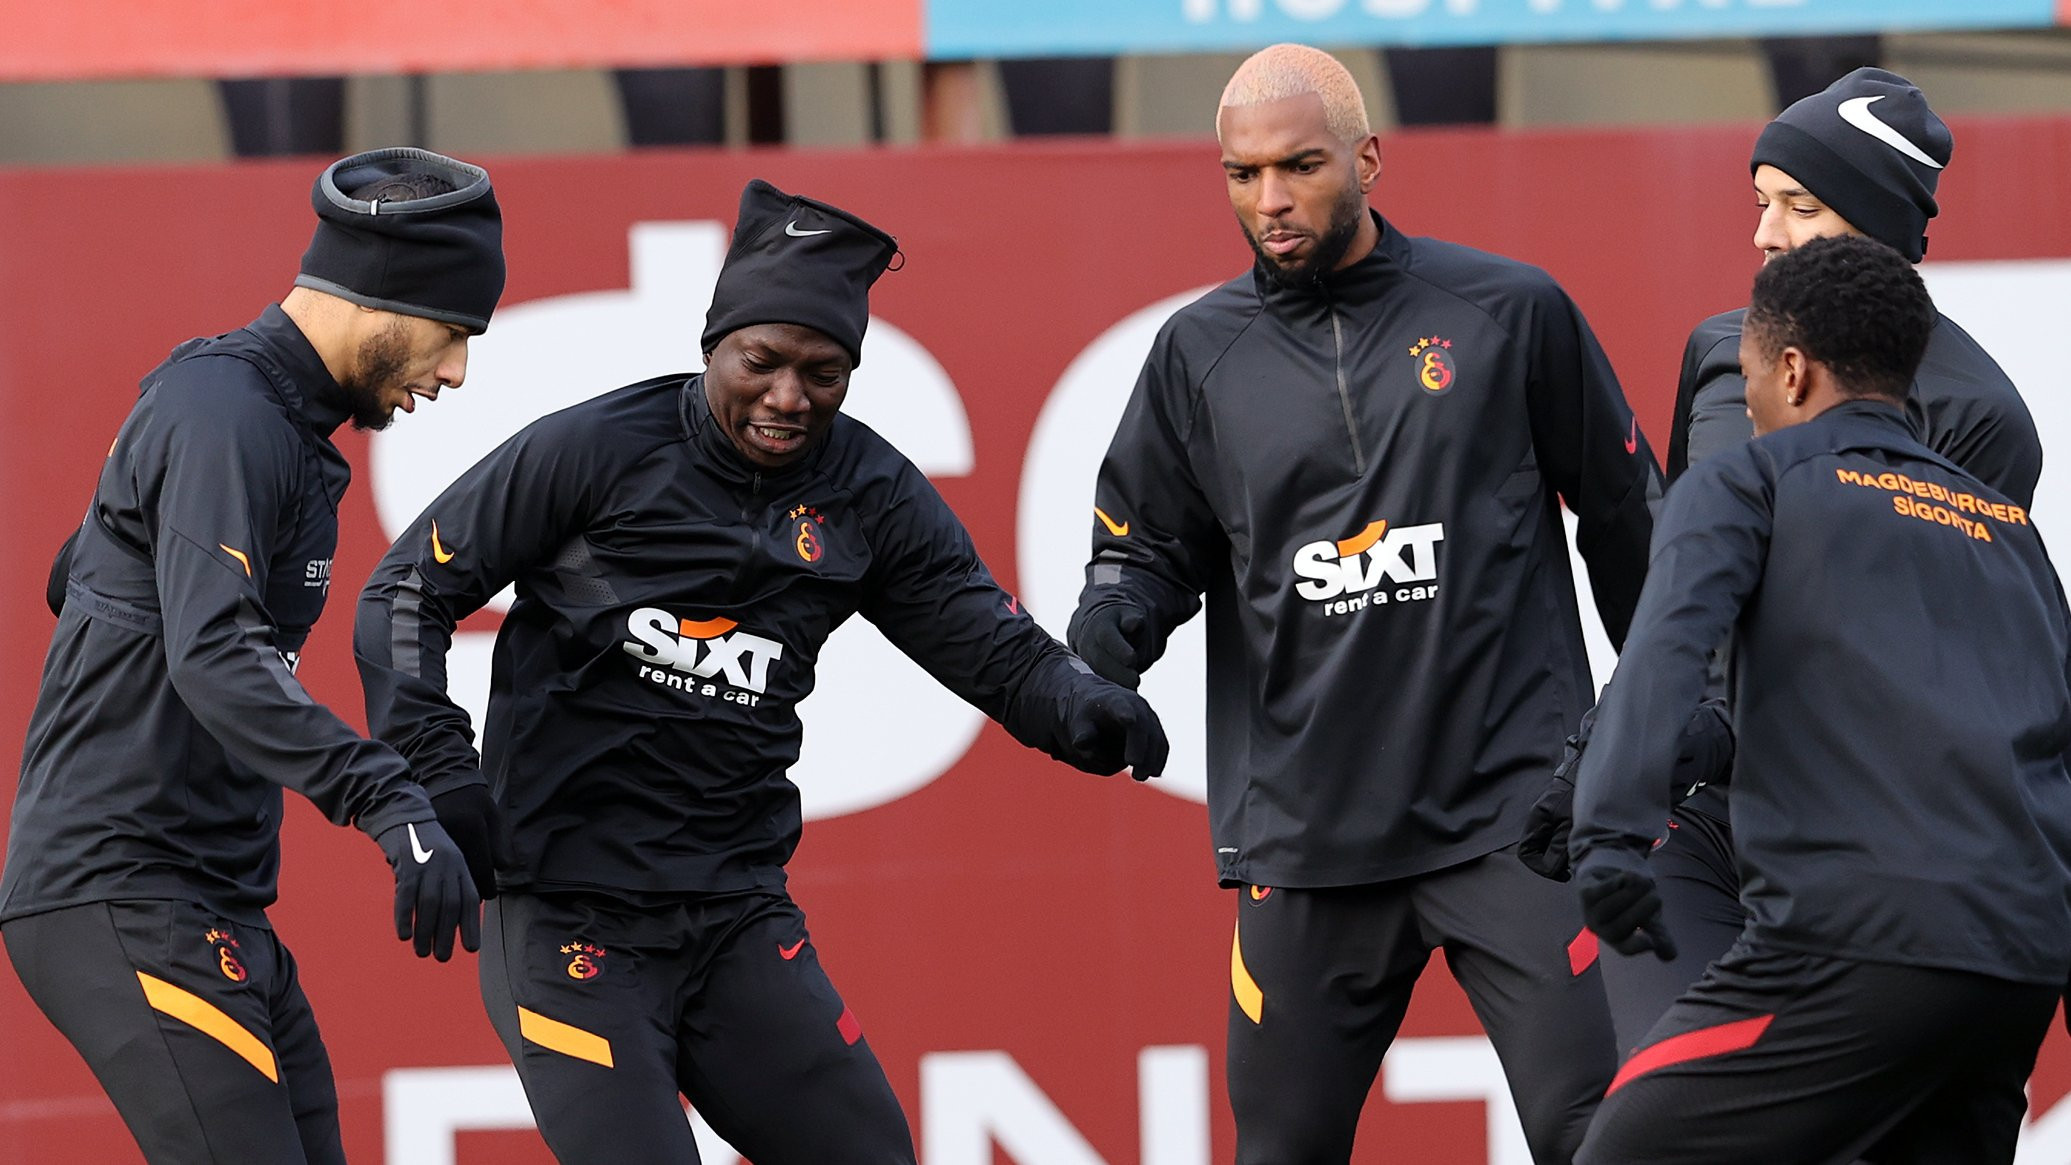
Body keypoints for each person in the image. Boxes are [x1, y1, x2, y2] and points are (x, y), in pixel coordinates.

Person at [352, 177, 1169, 1165]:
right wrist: (439, 769)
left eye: (823, 372)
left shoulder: (870, 492)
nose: (788, 398)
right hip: (568, 920)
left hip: (735, 914)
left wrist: (1080, 702)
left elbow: (990, 641)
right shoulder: (597, 450)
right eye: (762, 362)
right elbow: (404, 590)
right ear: (712, 348)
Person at [1066, 43, 1661, 1163]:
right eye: (1242, 174)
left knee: (1600, 1137)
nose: (1270, 200)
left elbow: (1633, 524)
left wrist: (1667, 719)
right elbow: (1140, 553)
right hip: (1306, 838)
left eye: (1299, 166)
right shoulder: (1195, 353)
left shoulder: (1509, 310)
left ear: (1368, 160)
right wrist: (1109, 641)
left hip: (1513, 818)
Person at [1518, 66, 2046, 1056]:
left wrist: (1683, 738)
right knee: (1658, 1098)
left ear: (1880, 228)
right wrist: (1616, 752)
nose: (1764, 234)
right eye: (1760, 201)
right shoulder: (1721, 346)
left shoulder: (1982, 417)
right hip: (1697, 822)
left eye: (1800, 206)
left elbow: (1896, 668)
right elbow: (1686, 592)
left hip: (1863, 857)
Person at [1, 147, 505, 1165]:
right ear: (382, 296)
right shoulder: (225, 412)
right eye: (452, 333)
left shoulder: (265, 419)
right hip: (126, 889)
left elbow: (81, 579)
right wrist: (387, 798)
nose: (455, 371)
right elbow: (214, 653)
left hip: (215, 898)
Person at [1567, 233, 2071, 1164]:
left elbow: (1666, 653)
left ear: (1791, 371)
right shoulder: (2007, 528)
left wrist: (1604, 835)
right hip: (2016, 966)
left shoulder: (1748, 479)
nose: (1747, 400)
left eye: (1747, 375)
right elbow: (2053, 748)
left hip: (1852, 947)